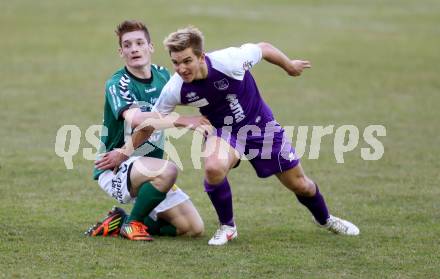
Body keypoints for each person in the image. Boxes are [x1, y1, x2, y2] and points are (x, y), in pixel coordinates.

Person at [150, 26, 360, 245]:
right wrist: (126, 149)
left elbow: (264, 48)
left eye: (187, 61)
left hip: (261, 128)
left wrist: (289, 66)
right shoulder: (175, 88)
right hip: (224, 132)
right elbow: (154, 118)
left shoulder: (229, 61)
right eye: (175, 63)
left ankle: (326, 219)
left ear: (201, 56)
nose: (181, 68)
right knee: (213, 167)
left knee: (301, 185)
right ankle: (227, 227)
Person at [86, 20, 205, 241]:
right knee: (169, 170)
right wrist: (186, 120)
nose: (134, 49)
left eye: (140, 43)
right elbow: (138, 120)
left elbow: (195, 92)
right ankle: (133, 224)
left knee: (192, 228)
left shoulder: (163, 76)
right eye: (128, 45)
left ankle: (121, 220)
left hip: (150, 171)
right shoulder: (118, 83)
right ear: (121, 52)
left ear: (150, 47)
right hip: (116, 165)